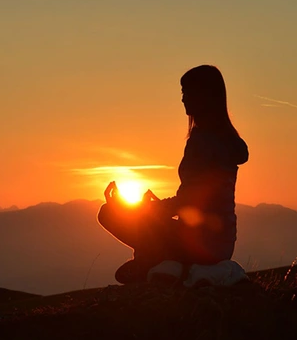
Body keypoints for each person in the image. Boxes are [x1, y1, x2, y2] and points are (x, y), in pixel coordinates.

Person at [97, 65, 249, 284]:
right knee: (137, 226)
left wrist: (148, 209)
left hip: (199, 242)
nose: (183, 99)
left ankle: (163, 263)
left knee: (108, 213)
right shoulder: (226, 140)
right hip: (222, 243)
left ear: (204, 95)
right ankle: (164, 263)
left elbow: (188, 201)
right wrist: (157, 206)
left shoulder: (202, 142)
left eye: (187, 92)